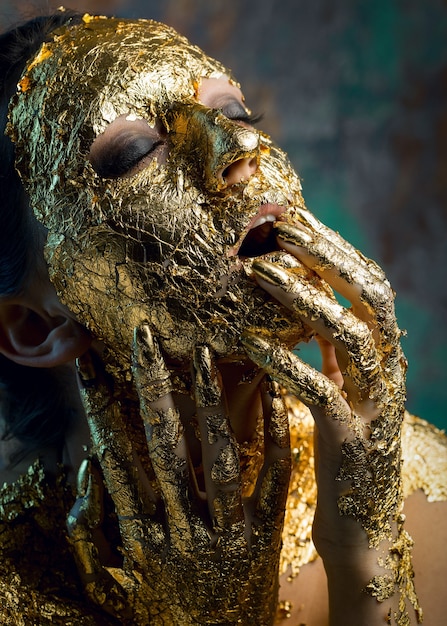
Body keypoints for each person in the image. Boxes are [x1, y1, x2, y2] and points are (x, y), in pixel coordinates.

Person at [0, 9, 446, 625]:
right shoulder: (15, 582)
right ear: (32, 326)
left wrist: (365, 552)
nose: (239, 146)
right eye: (137, 153)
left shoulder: (420, 488)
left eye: (235, 112)